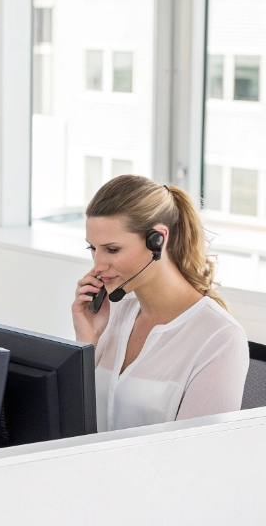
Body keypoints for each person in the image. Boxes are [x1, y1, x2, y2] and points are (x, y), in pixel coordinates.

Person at [72, 174, 249, 432]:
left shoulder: (220, 338)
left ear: (158, 239)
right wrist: (89, 338)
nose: (98, 265)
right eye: (93, 248)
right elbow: (69, 423)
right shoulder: (110, 314)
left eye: (112, 250)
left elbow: (198, 457)